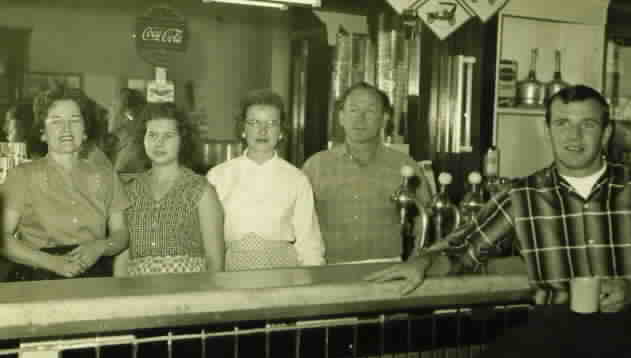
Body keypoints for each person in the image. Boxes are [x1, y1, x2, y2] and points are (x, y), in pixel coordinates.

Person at [367, 85, 631, 358]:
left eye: (588, 125)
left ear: (606, 132)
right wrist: (422, 263)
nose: (573, 135)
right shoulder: (523, 195)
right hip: (555, 326)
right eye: (562, 123)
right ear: (548, 130)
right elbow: (462, 250)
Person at [0, 85, 130, 280]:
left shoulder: (107, 176)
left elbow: (121, 234)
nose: (66, 129)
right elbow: (3, 239)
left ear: (85, 131)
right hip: (39, 276)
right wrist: (52, 262)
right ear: (43, 132)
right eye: (56, 121)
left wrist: (100, 246)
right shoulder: (21, 177)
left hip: (95, 273)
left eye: (75, 120)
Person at [302, 82, 432, 264]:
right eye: (353, 110)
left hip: (386, 271)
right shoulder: (315, 166)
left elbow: (425, 221)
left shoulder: (406, 167)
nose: (360, 119)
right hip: (328, 269)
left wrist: (416, 262)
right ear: (341, 117)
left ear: (384, 118)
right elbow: (299, 224)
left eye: (370, 111)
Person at [206, 89, 324, 271]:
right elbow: (207, 238)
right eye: (254, 122)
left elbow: (309, 242)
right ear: (243, 129)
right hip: (230, 270)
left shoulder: (296, 179)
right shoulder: (218, 176)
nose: (262, 130)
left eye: (271, 123)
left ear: (281, 131)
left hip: (282, 272)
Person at [113, 102, 224, 276]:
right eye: (152, 135)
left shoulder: (201, 191)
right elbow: (122, 259)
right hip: (136, 293)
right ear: (143, 139)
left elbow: (215, 262)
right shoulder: (130, 190)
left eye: (168, 135)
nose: (159, 143)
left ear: (183, 140)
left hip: (188, 293)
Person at [103, 88, 148, 175]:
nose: (107, 116)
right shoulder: (125, 147)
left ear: (127, 116)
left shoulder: (130, 156)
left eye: (113, 107)